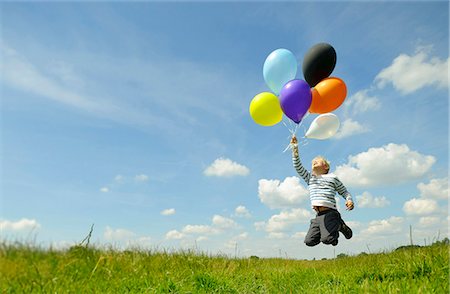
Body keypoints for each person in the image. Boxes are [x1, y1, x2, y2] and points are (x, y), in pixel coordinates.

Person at [290, 135, 354, 246]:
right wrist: (295, 147)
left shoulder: (332, 177)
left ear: (326, 167)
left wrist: (349, 200)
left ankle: (339, 225)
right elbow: (297, 165)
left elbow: (344, 191)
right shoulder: (310, 178)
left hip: (330, 213)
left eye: (317, 161)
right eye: (312, 162)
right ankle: (328, 231)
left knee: (327, 240)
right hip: (318, 215)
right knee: (309, 242)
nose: (314, 162)